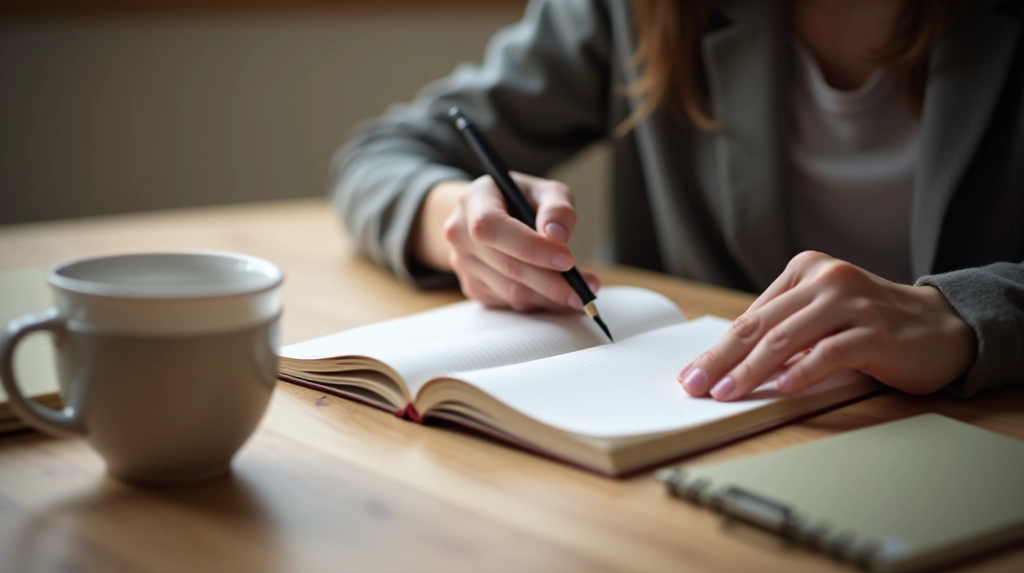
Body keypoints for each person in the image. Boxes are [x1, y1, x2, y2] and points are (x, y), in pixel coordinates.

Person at [331, 0, 1024, 402]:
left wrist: (967, 316)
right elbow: (380, 154)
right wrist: (457, 219)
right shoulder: (636, 10)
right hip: (713, 457)